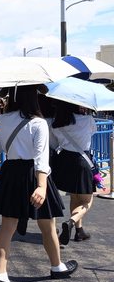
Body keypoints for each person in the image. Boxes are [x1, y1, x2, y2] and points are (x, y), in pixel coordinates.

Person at [0, 85, 78, 282]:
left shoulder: (3, 119)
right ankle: (57, 266)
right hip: (33, 173)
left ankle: (1, 274)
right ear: (33, 98)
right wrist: (41, 186)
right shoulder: (38, 122)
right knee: (47, 225)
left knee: (7, 226)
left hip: (11, 172)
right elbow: (41, 158)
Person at [50, 100, 97, 244]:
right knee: (87, 200)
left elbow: (54, 142)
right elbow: (93, 131)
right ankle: (71, 222)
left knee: (74, 196)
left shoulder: (56, 122)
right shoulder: (87, 119)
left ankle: (79, 230)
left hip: (64, 161)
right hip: (82, 161)